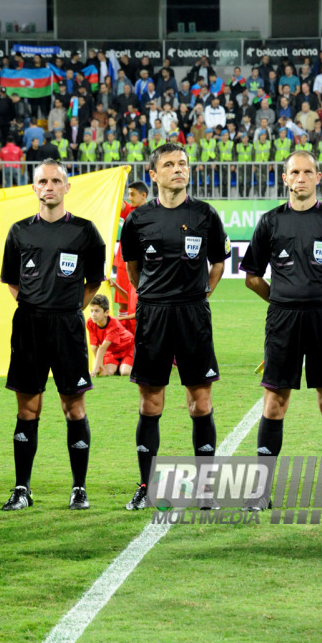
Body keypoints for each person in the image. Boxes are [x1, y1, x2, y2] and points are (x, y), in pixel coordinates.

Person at [240, 150, 322, 513]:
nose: (301, 178)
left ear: (318, 177)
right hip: (283, 322)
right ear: (285, 178)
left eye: (308, 172)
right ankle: (261, 492)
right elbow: (252, 277)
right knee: (275, 403)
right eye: (295, 172)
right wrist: (281, 302)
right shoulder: (270, 222)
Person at [120, 142, 231, 510]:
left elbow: (218, 262)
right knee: (151, 403)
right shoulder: (137, 220)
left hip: (192, 315)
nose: (177, 169)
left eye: (182, 163)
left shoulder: (205, 215)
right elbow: (134, 270)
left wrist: (202, 296)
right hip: (154, 316)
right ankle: (145, 485)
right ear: (154, 174)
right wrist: (153, 295)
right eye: (168, 164)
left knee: (200, 403)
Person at [0, 159, 106, 511]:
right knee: (28, 408)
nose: (49, 186)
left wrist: (68, 308)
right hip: (29, 327)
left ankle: (79, 488)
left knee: (73, 407)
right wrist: (36, 307)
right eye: (42, 181)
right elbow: (13, 281)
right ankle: (21, 488)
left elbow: (93, 282)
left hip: (68, 328)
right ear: (34, 187)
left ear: (66, 187)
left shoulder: (86, 231)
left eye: (55, 181)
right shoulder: (18, 232)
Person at [113, 181, 148, 320]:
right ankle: (123, 337)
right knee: (123, 303)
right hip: (124, 264)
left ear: (143, 195)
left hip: (143, 265)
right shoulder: (130, 211)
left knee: (141, 300)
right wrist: (120, 179)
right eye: (128, 194)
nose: (130, 198)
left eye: (132, 195)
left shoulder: (154, 212)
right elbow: (119, 203)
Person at [86, 294, 134, 377]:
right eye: (91, 310)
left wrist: (94, 370)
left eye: (97, 311)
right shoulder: (90, 323)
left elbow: (102, 348)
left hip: (128, 348)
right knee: (107, 373)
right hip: (111, 351)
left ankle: (128, 364)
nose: (93, 314)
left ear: (106, 313)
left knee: (125, 372)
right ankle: (119, 365)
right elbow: (94, 347)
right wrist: (100, 366)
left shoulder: (113, 324)